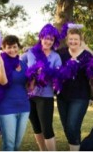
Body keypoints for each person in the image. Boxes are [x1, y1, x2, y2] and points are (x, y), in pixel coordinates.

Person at [20, 23, 61, 151]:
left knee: (46, 128)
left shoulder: (55, 56)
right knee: (36, 127)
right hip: (30, 96)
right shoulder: (30, 52)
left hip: (45, 97)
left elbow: (59, 76)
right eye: (46, 38)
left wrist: (48, 74)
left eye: (51, 39)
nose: (48, 41)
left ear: (54, 41)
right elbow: (19, 66)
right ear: (41, 37)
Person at [0, 35, 30, 151]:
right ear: (3, 48)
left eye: (14, 47)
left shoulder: (23, 64)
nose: (12, 50)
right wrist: (1, 63)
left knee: (17, 145)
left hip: (24, 107)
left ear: (18, 47)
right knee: (9, 145)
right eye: (9, 47)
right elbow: (3, 82)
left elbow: (29, 87)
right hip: (6, 108)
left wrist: (37, 77)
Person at [56, 23, 93, 151]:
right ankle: (76, 147)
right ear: (67, 40)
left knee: (72, 126)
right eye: (70, 39)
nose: (73, 42)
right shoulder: (60, 54)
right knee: (68, 127)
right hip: (62, 97)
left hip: (80, 97)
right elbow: (47, 58)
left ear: (80, 41)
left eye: (76, 39)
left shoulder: (87, 56)